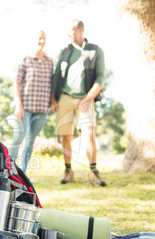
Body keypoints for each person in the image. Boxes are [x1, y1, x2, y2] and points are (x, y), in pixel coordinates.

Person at [50, 19, 106, 187]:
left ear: (81, 30)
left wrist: (88, 98)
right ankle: (68, 171)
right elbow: (56, 76)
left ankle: (94, 172)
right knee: (65, 135)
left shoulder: (95, 50)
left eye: (72, 29)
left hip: (86, 98)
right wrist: (53, 98)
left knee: (89, 134)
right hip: (65, 97)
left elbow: (100, 78)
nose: (69, 33)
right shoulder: (65, 51)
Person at [8, 30, 53, 172]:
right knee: (17, 138)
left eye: (44, 39)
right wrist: (18, 105)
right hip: (25, 107)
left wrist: (52, 101)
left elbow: (52, 84)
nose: (41, 41)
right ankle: (7, 172)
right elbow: (16, 83)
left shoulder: (49, 62)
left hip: (41, 109)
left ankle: (22, 173)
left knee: (30, 141)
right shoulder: (25, 60)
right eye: (39, 38)